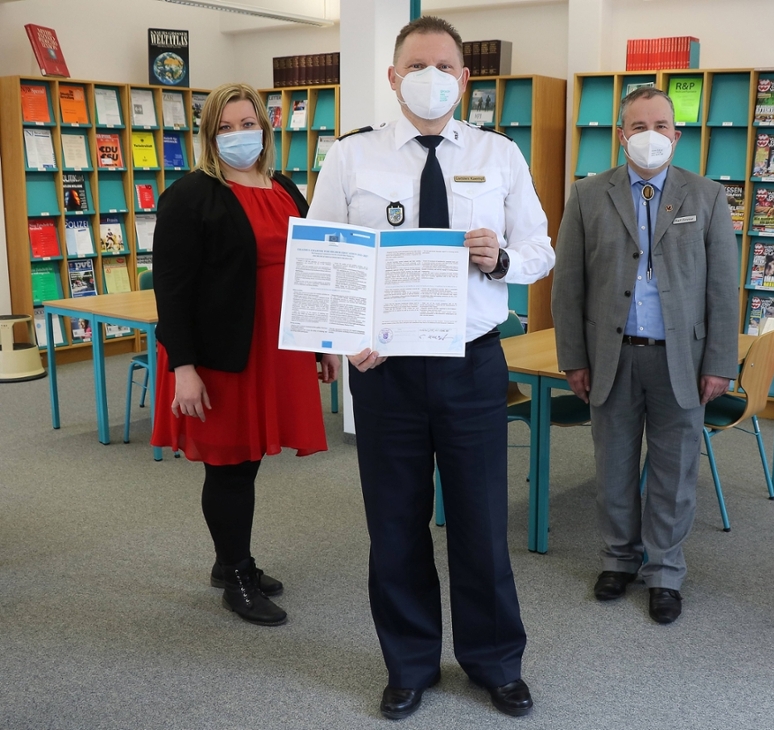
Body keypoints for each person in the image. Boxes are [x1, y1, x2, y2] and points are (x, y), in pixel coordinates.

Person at [306, 16, 553, 720]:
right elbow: (326, 262)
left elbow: (539, 249)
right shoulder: (350, 159)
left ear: (464, 77)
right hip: (383, 373)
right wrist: (338, 335)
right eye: (416, 64)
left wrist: (500, 259)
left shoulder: (498, 154)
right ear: (392, 76)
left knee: (480, 525)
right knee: (394, 526)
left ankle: (494, 662)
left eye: (445, 64)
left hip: (472, 365)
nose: (431, 75)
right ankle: (409, 664)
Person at [152, 83, 339, 627]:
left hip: (278, 348)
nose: (239, 136)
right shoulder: (190, 195)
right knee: (229, 465)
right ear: (209, 136)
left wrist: (322, 343)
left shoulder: (284, 187)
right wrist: (183, 368)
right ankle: (235, 571)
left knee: (250, 462)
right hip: (221, 354)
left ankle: (229, 560)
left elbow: (312, 269)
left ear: (265, 127)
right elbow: (172, 287)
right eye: (225, 128)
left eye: (247, 124)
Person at [551, 87, 739, 626]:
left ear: (677, 136)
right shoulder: (588, 195)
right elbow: (568, 285)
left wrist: (720, 361)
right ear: (621, 134)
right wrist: (573, 358)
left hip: (681, 357)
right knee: (612, 465)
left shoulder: (706, 196)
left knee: (674, 471)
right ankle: (617, 558)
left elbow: (724, 288)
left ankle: (665, 571)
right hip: (611, 354)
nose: (650, 135)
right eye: (639, 126)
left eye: (661, 125)